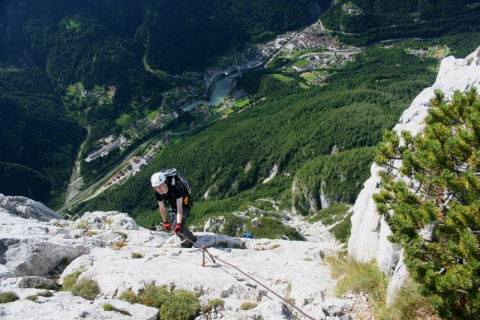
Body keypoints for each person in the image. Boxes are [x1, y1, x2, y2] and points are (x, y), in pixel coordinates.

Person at [151, 171, 196, 248]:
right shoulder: (157, 193)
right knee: (174, 226)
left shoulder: (176, 188)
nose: (158, 189)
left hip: (184, 206)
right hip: (172, 206)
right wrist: (165, 222)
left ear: (164, 182)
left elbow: (180, 207)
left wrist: (178, 224)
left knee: (176, 226)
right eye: (156, 187)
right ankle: (183, 236)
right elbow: (161, 207)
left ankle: (191, 239)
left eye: (160, 186)